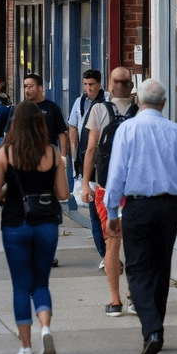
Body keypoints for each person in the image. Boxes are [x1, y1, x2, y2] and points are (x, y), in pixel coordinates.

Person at [104, 78, 177, 354]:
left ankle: (152, 329)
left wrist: (110, 211)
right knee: (160, 270)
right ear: (164, 103)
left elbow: (116, 172)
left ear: (138, 101)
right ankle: (154, 329)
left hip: (137, 208)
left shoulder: (127, 129)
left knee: (137, 270)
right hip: (168, 207)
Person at [0, 100, 69, 354]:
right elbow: (64, 194)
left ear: (16, 124)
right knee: (41, 283)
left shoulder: (5, 154)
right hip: (46, 224)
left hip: (15, 223)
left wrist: (8, 191)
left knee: (21, 286)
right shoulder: (53, 154)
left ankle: (26, 349)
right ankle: (45, 327)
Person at [81, 67, 135, 316]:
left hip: (106, 188)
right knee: (135, 243)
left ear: (111, 86)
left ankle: (115, 302)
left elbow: (91, 149)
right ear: (132, 86)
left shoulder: (99, 109)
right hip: (136, 189)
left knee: (112, 243)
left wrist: (85, 184)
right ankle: (134, 296)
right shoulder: (142, 111)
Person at [6, 73, 69, 267]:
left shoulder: (51, 108)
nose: (27, 89)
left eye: (31, 86)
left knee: (46, 204)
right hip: (24, 162)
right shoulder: (18, 109)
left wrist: (64, 157)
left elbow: (62, 133)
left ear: (41, 88)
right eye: (25, 86)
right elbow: (9, 135)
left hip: (48, 162)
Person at [68, 69, 109, 268]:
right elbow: (73, 127)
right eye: (85, 84)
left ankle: (109, 253)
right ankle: (105, 254)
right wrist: (74, 155)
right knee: (95, 214)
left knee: (104, 213)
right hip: (86, 162)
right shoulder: (80, 101)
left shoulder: (106, 102)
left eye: (91, 84)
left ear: (100, 83)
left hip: (103, 164)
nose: (88, 88)